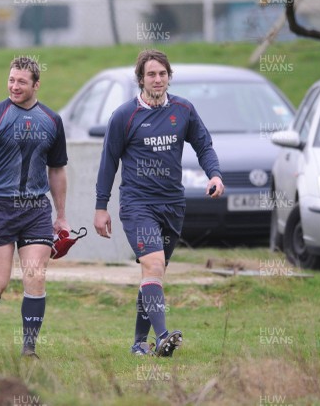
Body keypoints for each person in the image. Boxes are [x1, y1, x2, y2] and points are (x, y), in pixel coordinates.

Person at [93, 49, 224, 357]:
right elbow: (108, 163)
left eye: (162, 73)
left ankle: (139, 344)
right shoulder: (124, 116)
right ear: (141, 79)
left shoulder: (183, 110)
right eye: (151, 74)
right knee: (152, 264)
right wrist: (101, 207)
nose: (157, 79)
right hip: (138, 204)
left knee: (153, 274)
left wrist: (215, 175)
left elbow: (204, 145)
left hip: (172, 204)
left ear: (169, 77)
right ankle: (163, 336)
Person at [0, 56, 69, 358]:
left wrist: (60, 216)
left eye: (22, 81)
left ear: (36, 84)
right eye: (11, 80)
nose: (14, 86)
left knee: (35, 275)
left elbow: (57, 170)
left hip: (36, 209)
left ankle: (29, 349)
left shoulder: (51, 121)